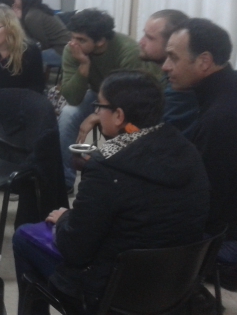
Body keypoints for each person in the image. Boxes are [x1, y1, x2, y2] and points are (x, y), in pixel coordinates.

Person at [13, 70, 209, 314]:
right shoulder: (188, 151)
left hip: (111, 294)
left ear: (118, 115)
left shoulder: (107, 168)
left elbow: (74, 250)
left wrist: (64, 219)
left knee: (24, 236)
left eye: (99, 106)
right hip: (175, 287)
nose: (96, 113)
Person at [163, 18, 237, 290]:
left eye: (173, 57)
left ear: (204, 61)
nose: (166, 66)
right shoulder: (234, 86)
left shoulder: (221, 117)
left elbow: (206, 198)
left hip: (230, 239)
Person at [58, 9, 160, 191]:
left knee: (123, 124)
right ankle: (64, 180)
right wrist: (83, 65)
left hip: (129, 99)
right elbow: (73, 98)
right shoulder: (72, 50)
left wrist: (98, 115)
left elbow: (130, 98)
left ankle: (122, 181)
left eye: (81, 40)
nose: (74, 43)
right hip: (98, 94)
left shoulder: (128, 51)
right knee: (68, 113)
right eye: (72, 37)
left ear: (100, 41)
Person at [76, 9, 198, 145]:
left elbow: (149, 135)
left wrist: (106, 120)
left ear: (171, 43)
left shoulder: (179, 88)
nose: (141, 42)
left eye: (149, 38)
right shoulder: (163, 77)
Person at [16, 0, 70, 64]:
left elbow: (42, 44)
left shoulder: (32, 16)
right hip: (65, 48)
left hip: (61, 51)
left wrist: (20, 21)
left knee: (25, 57)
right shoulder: (38, 9)